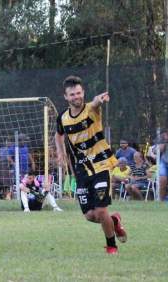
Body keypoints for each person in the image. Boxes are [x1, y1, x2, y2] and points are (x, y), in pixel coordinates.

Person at [55, 75, 127, 254]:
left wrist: (99, 100)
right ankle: (114, 221)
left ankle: (111, 246)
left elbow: (95, 103)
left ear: (83, 93)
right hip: (81, 171)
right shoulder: (62, 118)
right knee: (90, 216)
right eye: (72, 94)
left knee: (101, 210)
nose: (76, 97)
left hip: (101, 165)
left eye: (79, 93)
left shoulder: (91, 109)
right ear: (66, 97)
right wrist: (60, 152)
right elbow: (58, 135)